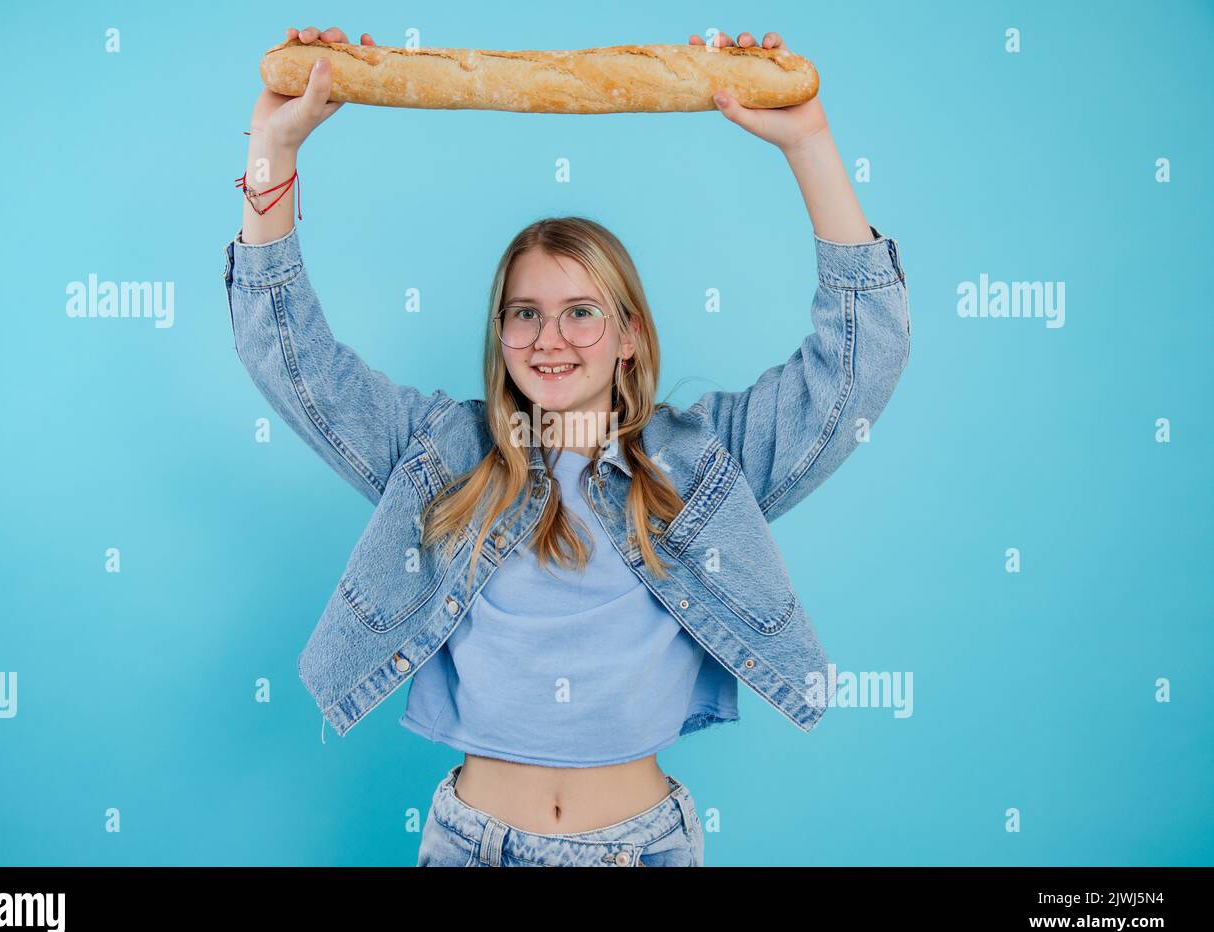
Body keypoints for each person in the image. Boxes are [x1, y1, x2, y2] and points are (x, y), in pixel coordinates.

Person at [226, 25, 911, 866]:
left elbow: (860, 361)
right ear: (501, 332)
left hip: (641, 849)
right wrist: (272, 147)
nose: (551, 338)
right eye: (525, 312)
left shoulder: (702, 467)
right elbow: (286, 356)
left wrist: (809, 142)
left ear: (627, 334)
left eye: (581, 311)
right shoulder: (443, 457)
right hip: (469, 845)